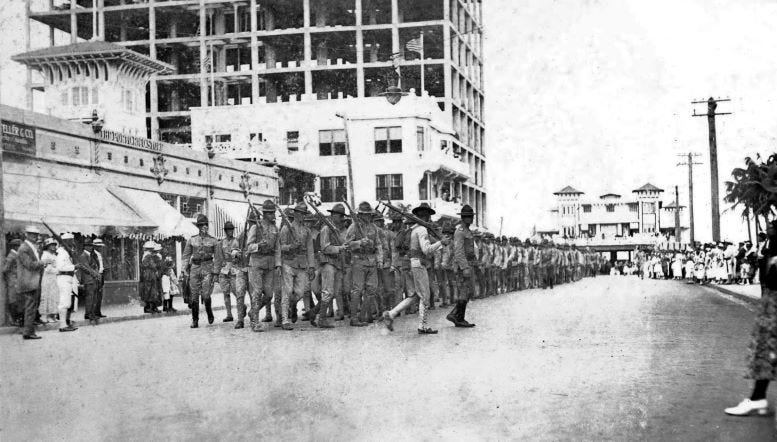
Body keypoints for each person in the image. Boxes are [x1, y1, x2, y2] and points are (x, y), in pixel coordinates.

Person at [725, 220, 777, 416]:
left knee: (767, 348)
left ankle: (757, 398)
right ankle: (758, 397)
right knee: (767, 349)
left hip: (773, 302)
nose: (768, 230)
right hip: (772, 300)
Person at [383, 203, 449, 334]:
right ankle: (423, 326)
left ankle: (391, 314)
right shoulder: (422, 230)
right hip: (419, 264)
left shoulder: (412, 229)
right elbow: (426, 250)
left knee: (414, 295)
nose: (429, 219)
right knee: (425, 296)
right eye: (428, 216)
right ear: (425, 216)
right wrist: (441, 242)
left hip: (410, 264)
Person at [276, 202, 315, 330]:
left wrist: (312, 266)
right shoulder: (286, 229)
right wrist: (291, 247)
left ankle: (292, 306)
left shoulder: (307, 231)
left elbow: (310, 249)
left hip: (302, 264)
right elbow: (280, 247)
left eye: (304, 214)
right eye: (301, 213)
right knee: (286, 292)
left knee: (300, 292)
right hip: (288, 262)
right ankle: (285, 320)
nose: (303, 216)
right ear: (296, 214)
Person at [345, 201, 384, 326]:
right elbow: (347, 245)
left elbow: (378, 244)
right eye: (364, 214)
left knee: (372, 289)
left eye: (368, 214)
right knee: (357, 290)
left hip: (372, 261)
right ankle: (354, 318)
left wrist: (379, 260)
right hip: (358, 260)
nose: (367, 216)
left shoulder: (373, 227)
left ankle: (363, 315)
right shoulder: (353, 227)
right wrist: (360, 242)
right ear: (360, 214)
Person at [311, 203, 349, 328]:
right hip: (328, 262)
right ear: (333, 215)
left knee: (334, 292)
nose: (342, 218)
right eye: (339, 215)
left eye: (343, 216)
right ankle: (321, 319)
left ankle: (315, 313)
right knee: (328, 291)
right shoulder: (326, 229)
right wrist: (340, 248)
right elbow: (325, 247)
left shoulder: (338, 230)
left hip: (337, 264)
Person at [245, 200, 279, 332]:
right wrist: (259, 245)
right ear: (264, 214)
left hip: (270, 264)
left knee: (269, 295)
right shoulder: (255, 227)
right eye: (270, 213)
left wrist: (278, 264)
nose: (272, 215)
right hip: (257, 263)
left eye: (273, 213)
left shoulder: (274, 228)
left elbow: (277, 248)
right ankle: (254, 322)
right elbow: (248, 247)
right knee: (257, 292)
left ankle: (253, 311)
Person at [182, 214, 219, 328]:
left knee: (206, 294)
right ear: (198, 227)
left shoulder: (213, 241)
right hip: (195, 268)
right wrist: (184, 269)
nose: (204, 227)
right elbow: (186, 256)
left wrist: (216, 272)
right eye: (201, 225)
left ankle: (209, 312)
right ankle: (195, 320)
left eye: (205, 225)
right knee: (194, 296)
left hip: (208, 268)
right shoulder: (192, 240)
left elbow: (217, 258)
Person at [18, 226, 53, 340]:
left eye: (36, 234)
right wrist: (43, 262)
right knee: (30, 307)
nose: (35, 236)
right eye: (32, 234)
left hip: (33, 281)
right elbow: (29, 265)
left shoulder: (31, 247)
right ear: (27, 235)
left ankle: (29, 331)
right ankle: (28, 332)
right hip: (28, 281)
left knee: (31, 307)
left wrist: (42, 263)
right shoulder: (24, 248)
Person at [448, 204, 478, 328]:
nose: (469, 219)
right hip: (463, 265)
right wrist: (464, 267)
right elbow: (458, 251)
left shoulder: (467, 231)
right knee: (464, 291)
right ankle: (459, 317)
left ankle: (455, 314)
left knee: (468, 291)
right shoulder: (459, 232)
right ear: (462, 218)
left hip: (469, 264)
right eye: (466, 216)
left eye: (470, 216)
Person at [214, 221, 240, 322]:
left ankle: (241, 309)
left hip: (234, 269)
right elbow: (218, 258)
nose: (231, 231)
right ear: (225, 231)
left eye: (232, 230)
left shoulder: (237, 241)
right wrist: (216, 273)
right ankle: (229, 314)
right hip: (224, 270)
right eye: (229, 230)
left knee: (236, 291)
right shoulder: (221, 243)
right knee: (226, 293)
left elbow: (240, 255)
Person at [55, 233, 78, 332]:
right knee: (64, 302)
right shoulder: (61, 252)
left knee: (67, 302)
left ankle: (65, 324)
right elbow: (60, 267)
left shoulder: (66, 252)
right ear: (66, 241)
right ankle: (62, 325)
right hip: (63, 278)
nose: (72, 242)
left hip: (68, 278)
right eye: (71, 240)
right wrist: (74, 267)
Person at [78, 238, 101, 325]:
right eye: (88, 246)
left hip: (92, 278)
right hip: (88, 279)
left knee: (92, 297)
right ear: (85, 246)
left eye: (91, 246)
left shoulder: (89, 255)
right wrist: (96, 274)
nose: (90, 247)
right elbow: (87, 267)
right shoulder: (84, 255)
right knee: (90, 297)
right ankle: (88, 314)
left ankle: (91, 313)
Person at [39, 238, 60, 323]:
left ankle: (53, 315)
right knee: (47, 296)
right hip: (47, 278)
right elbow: (47, 269)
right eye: (51, 245)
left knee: (54, 297)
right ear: (47, 246)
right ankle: (45, 316)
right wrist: (58, 270)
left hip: (54, 279)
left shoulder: (54, 255)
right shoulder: (45, 255)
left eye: (54, 245)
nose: (53, 247)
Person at [3, 239, 23, 326]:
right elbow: (5, 269)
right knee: (13, 300)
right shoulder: (12, 256)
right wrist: (11, 276)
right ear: (15, 246)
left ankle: (16, 319)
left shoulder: (16, 255)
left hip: (16, 280)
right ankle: (13, 319)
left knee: (17, 300)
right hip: (13, 281)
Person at [140, 241, 162, 314]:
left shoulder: (145, 255)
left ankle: (149, 307)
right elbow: (153, 265)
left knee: (148, 291)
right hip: (149, 274)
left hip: (147, 274)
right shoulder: (148, 256)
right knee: (151, 291)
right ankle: (150, 308)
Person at [92, 238, 107, 318]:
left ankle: (98, 311)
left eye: (100, 246)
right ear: (94, 246)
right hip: (96, 275)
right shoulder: (93, 254)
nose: (100, 247)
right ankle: (94, 312)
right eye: (98, 246)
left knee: (99, 295)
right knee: (95, 295)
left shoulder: (100, 254)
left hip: (101, 274)